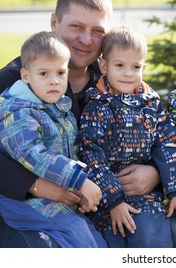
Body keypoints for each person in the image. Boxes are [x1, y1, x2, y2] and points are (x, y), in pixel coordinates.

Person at [0, 0, 161, 248]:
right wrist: (37, 185)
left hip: (105, 203)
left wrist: (155, 173)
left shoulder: (116, 78)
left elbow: (156, 128)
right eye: (76, 26)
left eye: (97, 31)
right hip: (24, 208)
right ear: (54, 22)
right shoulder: (12, 82)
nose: (86, 39)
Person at [78, 25, 176, 248]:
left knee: (152, 239)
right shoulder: (96, 106)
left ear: (144, 67)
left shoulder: (152, 105)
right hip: (106, 201)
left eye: (135, 66)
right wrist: (114, 200)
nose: (128, 73)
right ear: (104, 65)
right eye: (119, 65)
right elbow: (91, 154)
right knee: (112, 242)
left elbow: (170, 145)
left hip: (146, 198)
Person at [0, 31, 106, 248]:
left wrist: (80, 189)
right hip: (22, 202)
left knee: (94, 238)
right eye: (44, 74)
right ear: (26, 75)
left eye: (60, 72)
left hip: (56, 196)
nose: (54, 81)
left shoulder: (60, 107)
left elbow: (72, 151)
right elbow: (34, 155)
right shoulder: (20, 111)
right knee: (77, 233)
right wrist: (78, 180)